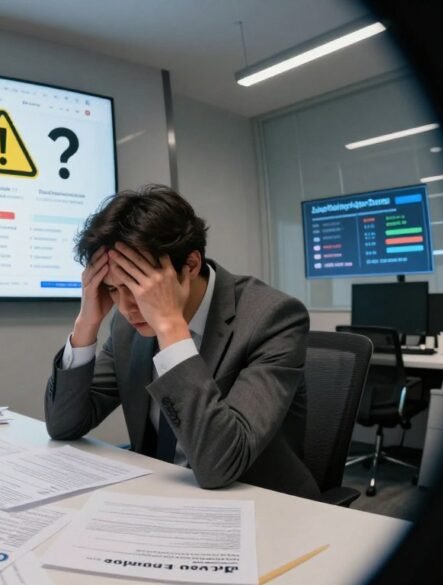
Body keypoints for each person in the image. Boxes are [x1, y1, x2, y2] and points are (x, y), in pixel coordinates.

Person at [44, 184, 319, 499]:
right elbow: (64, 425)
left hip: (260, 505)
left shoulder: (273, 318)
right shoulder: (127, 324)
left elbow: (221, 465)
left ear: (190, 265)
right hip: (164, 495)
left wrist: (170, 328)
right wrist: (87, 323)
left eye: (138, 286)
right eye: (112, 289)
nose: (126, 307)